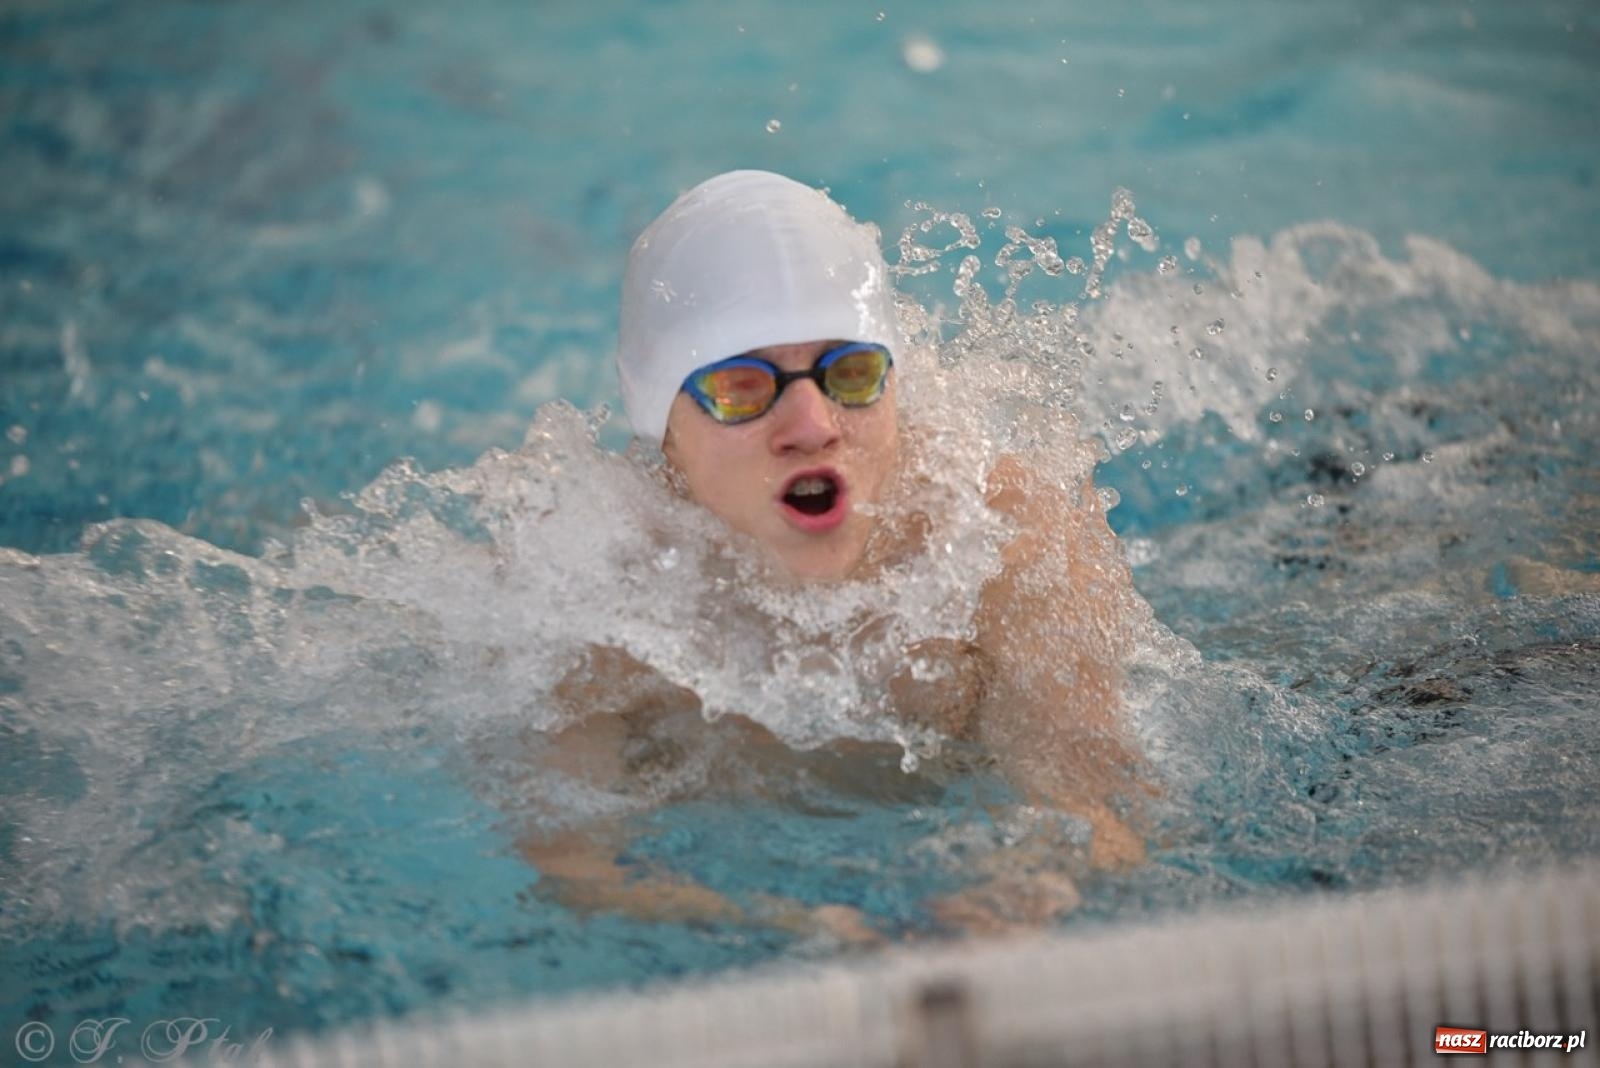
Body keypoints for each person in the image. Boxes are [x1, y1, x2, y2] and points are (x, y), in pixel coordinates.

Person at [519, 170, 1148, 939]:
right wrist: (776, 929)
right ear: (666, 432)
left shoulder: (1002, 535)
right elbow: (572, 867)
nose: (813, 425)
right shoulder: (592, 587)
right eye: (742, 386)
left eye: (849, 373)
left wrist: (1021, 891)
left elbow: (1096, 813)